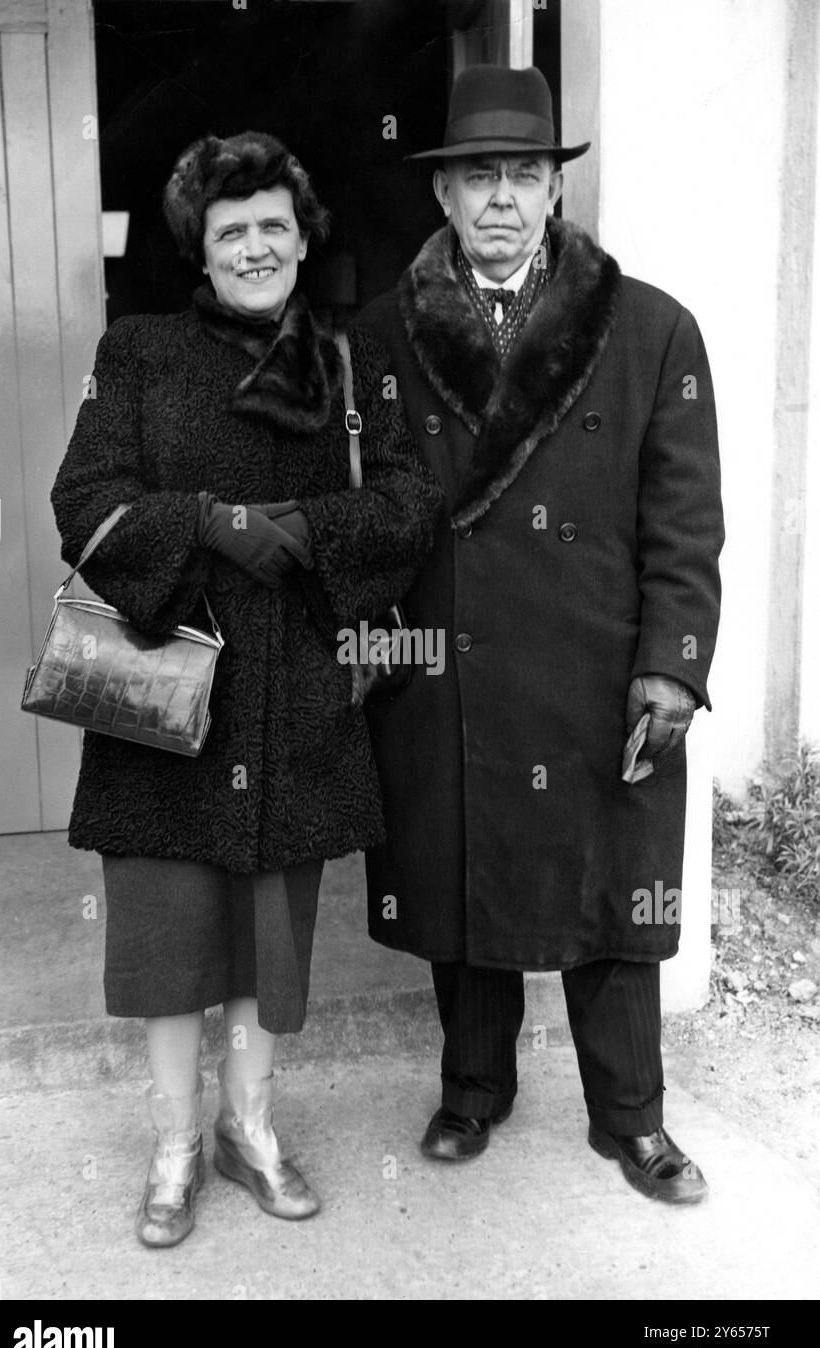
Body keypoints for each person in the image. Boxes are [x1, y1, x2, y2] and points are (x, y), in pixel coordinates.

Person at [50, 130, 442, 1247]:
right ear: (201, 248)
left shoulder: (350, 362)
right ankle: (174, 1145)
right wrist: (210, 523)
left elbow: (409, 501)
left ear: (303, 239)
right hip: (164, 690)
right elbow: (82, 498)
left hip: (295, 696)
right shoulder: (138, 353)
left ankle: (249, 1128)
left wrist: (308, 529)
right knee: (170, 933)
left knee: (270, 937)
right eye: (232, 231)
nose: (256, 246)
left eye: (275, 225)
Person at [356, 65, 725, 1202]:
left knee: (611, 895)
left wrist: (670, 669)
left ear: (554, 191)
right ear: (444, 195)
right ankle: (472, 1089)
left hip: (595, 669)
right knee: (461, 882)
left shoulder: (650, 329)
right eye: (479, 176)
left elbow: (684, 520)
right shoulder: (382, 334)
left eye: (523, 173)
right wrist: (370, 648)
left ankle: (631, 1119)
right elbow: (362, 515)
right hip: (449, 666)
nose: (502, 198)